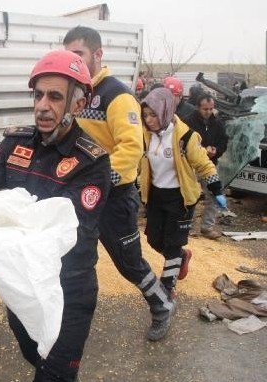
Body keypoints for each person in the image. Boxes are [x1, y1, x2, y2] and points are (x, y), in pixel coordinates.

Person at [0, 50, 110, 382]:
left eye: (55, 96)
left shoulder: (92, 162)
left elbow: (66, 232)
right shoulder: (14, 143)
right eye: (38, 95)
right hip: (20, 289)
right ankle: (63, 380)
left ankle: (60, 381)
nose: (43, 105)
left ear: (77, 103)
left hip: (68, 292)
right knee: (34, 355)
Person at [63, 25, 176, 342]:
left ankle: (162, 304)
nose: (73, 62)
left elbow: (131, 149)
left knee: (129, 263)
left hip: (114, 196)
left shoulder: (117, 96)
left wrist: (101, 181)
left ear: (97, 54)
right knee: (74, 257)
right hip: (82, 194)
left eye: (79, 55)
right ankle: (71, 316)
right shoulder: (75, 93)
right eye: (68, 56)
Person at [139, 88, 227, 296]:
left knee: (172, 243)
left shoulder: (186, 137)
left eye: (153, 115)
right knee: (153, 239)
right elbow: (138, 163)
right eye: (145, 116)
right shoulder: (146, 137)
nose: (149, 120)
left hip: (180, 198)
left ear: (165, 111)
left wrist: (217, 189)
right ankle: (182, 256)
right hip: (155, 196)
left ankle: (168, 286)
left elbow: (204, 165)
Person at [183, 93, 229, 239]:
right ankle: (186, 226)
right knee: (190, 196)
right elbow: (183, 143)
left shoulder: (218, 124)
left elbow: (223, 142)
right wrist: (203, 149)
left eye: (211, 109)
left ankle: (207, 227)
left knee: (213, 195)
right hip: (191, 166)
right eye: (205, 109)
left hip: (210, 165)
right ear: (198, 108)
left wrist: (216, 150)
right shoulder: (188, 122)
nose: (208, 112)